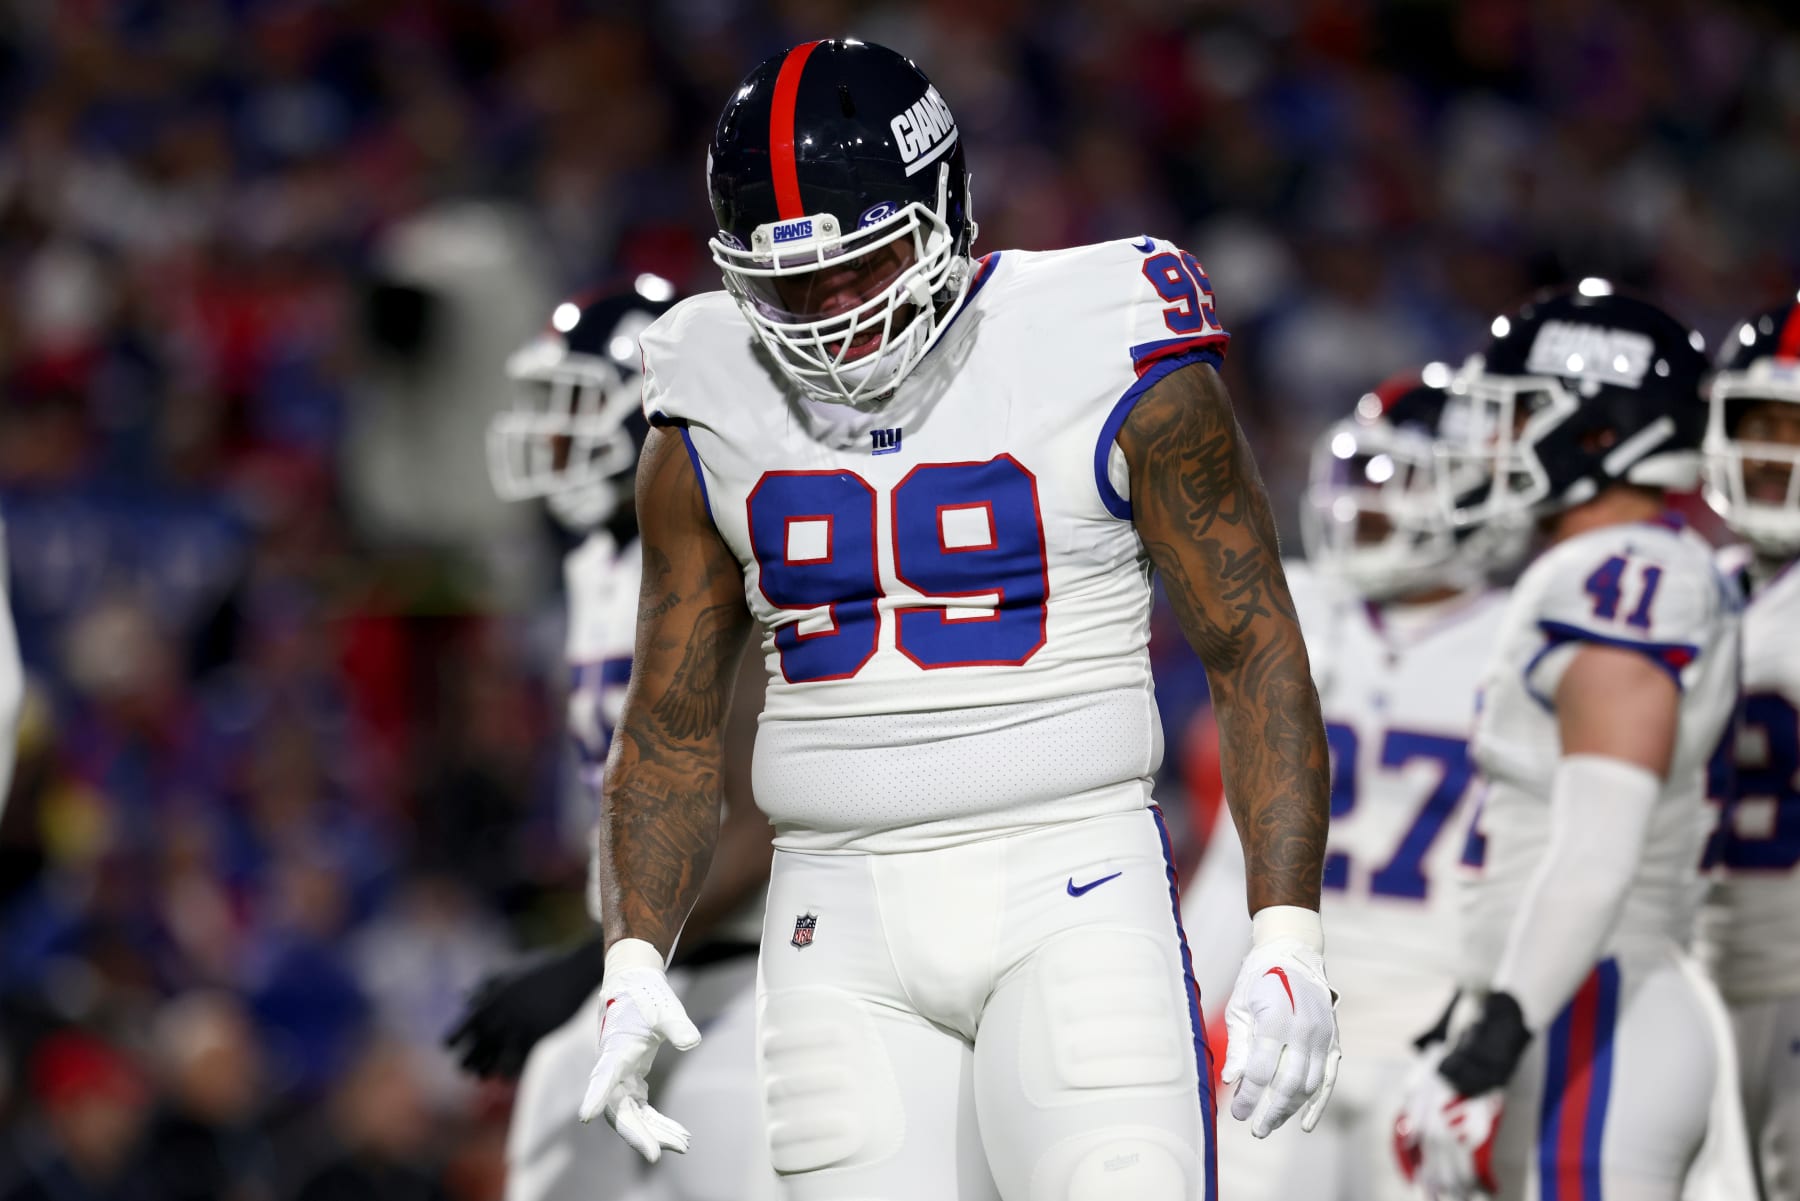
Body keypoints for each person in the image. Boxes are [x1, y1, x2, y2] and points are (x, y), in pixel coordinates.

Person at [575, 39, 1341, 1200]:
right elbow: (671, 725)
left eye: (862, 267)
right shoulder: (704, 395)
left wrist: (1286, 930)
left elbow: (1254, 646)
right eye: (790, 286)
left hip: (1071, 878)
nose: (829, 313)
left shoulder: (1105, 337)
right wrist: (631, 956)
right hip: (835, 918)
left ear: (945, 209)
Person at [1394, 284, 1746, 1200]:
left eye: (1516, 418)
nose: (1490, 448)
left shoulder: (1620, 573)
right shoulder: (1609, 567)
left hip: (1596, 1009)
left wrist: (1493, 1037)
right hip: (1566, 998)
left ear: (1599, 435)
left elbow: (1599, 849)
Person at [446, 280, 775, 1201]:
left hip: (748, 977)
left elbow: (758, 819)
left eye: (578, 410)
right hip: (639, 965)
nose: (552, 439)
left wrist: (592, 956)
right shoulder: (595, 570)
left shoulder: (727, 548)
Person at [1206, 368, 1512, 1201]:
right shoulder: (1300, 605)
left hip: (1434, 1029)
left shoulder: (1517, 639)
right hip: (1286, 1015)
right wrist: (1188, 993)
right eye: (1358, 475)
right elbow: (1232, 844)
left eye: (1395, 477)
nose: (1363, 503)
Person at [1697, 297, 1800, 1201]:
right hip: (1696, 969)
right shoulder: (1695, 584)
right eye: (1755, 424)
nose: (1771, 451)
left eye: (1795, 428)